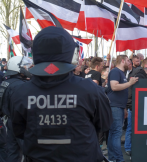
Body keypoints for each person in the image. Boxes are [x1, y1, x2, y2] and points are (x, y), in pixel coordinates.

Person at [10, 26, 112, 162]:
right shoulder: (90, 89)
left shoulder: (20, 92)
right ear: (71, 53)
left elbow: (19, 131)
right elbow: (104, 125)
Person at [106, 55, 138, 162]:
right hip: (115, 106)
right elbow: (114, 87)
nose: (130, 62)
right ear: (123, 61)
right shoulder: (116, 71)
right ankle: (119, 159)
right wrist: (129, 83)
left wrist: (124, 108)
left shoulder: (121, 73)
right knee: (116, 133)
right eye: (128, 60)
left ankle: (112, 158)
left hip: (118, 106)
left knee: (113, 133)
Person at [0, 56, 32, 162]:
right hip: (20, 122)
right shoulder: (20, 85)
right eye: (24, 66)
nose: (27, 68)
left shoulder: (7, 82)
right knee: (28, 152)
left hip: (10, 120)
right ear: (17, 68)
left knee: (12, 152)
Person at [124, 58, 147, 156]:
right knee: (131, 127)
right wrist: (130, 105)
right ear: (145, 65)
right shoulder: (139, 76)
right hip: (135, 106)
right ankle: (128, 147)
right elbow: (132, 91)